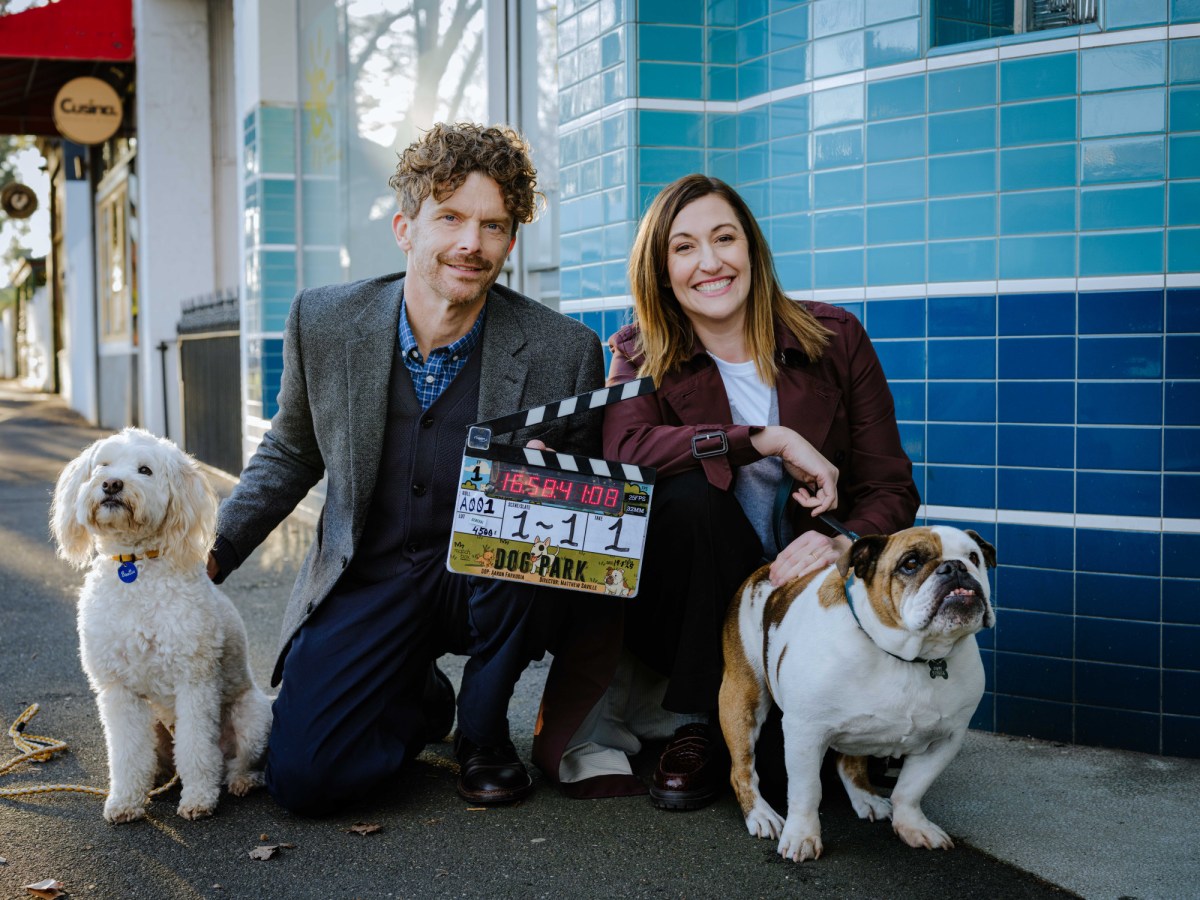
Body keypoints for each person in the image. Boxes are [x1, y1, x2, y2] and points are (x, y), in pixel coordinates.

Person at [208, 123, 605, 815]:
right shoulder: (325, 321)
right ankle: (417, 695)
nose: (470, 244)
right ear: (405, 227)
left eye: (493, 226)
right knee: (306, 781)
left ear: (510, 242)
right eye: (450, 218)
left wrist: (556, 486)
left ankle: (482, 733)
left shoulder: (562, 352)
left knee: (526, 525)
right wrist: (216, 549)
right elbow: (292, 451)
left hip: (486, 578)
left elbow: (580, 522)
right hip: (372, 572)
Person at [533, 174, 919, 809]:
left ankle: (790, 720)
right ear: (661, 270)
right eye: (684, 248)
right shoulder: (641, 352)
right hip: (694, 602)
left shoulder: (835, 338)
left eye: (724, 238)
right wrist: (763, 438)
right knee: (686, 496)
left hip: (809, 591)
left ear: (752, 250)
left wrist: (837, 540)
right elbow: (625, 452)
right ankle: (701, 727)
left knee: (808, 769)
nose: (709, 262)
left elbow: (889, 485)